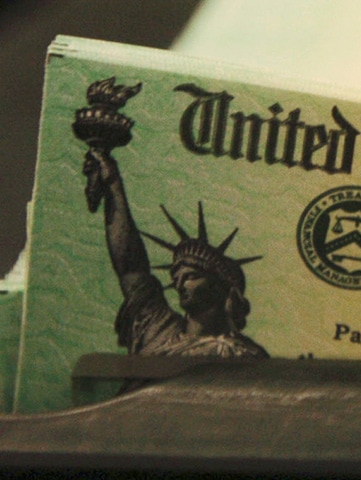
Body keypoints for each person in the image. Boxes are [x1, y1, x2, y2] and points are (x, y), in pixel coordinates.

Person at [82, 148, 268, 358]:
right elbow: (130, 267)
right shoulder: (160, 331)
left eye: (190, 276)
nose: (179, 285)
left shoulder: (245, 355)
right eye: (176, 278)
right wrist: (113, 183)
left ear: (219, 286)